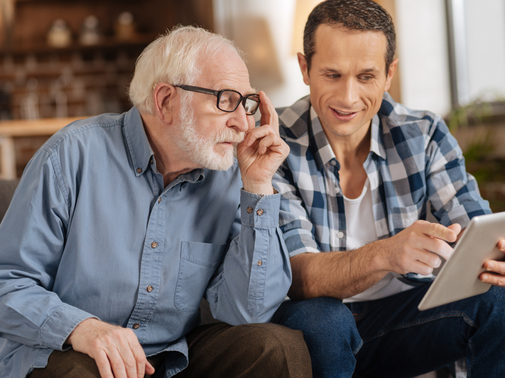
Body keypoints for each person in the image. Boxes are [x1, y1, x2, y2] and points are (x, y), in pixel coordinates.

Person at [0, 25, 312, 378]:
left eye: (247, 103)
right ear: (165, 100)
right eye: (226, 100)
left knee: (278, 349)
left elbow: (248, 312)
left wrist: (258, 186)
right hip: (74, 353)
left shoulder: (230, 174)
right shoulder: (71, 155)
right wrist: (81, 328)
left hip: (173, 356)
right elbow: (7, 281)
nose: (242, 123)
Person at [270, 1, 505, 377]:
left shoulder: (423, 133)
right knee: (324, 320)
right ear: (304, 68)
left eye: (366, 76)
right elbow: (299, 276)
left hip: (401, 321)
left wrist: (503, 253)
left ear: (389, 73)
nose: (348, 97)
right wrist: (385, 255)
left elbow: (473, 225)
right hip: (315, 322)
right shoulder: (274, 141)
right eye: (332, 75)